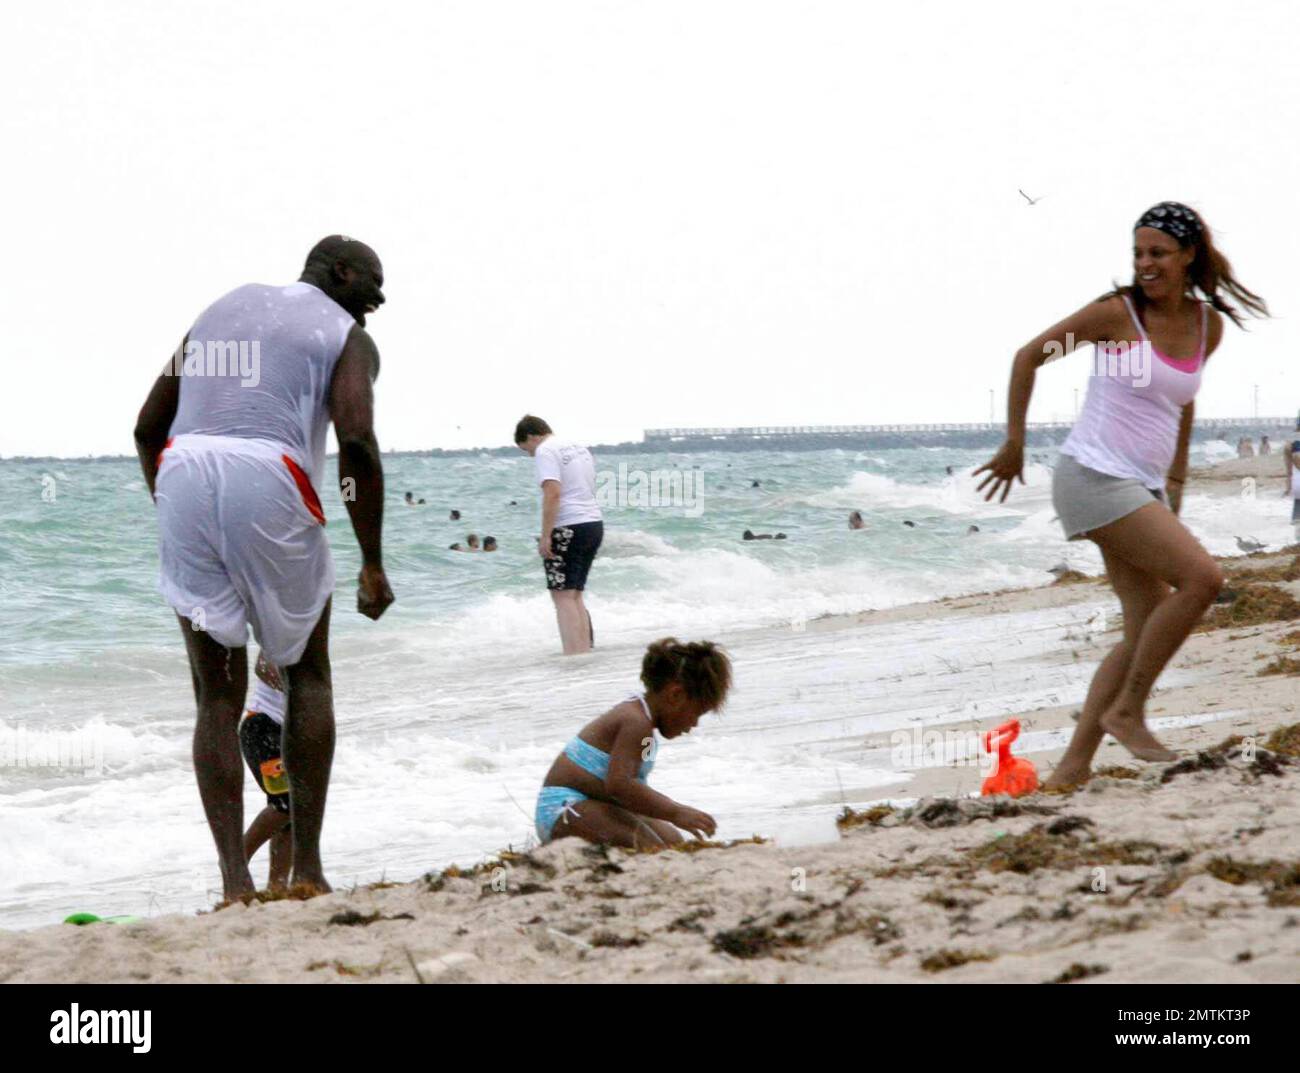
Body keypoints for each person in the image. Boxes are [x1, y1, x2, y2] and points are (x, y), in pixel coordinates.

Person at [133, 235, 396, 899]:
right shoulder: (344, 334)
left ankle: (233, 883)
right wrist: (371, 561)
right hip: (269, 474)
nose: (379, 298)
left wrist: (170, 502)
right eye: (372, 281)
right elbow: (356, 440)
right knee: (307, 670)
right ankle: (305, 869)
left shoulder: (223, 309)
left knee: (215, 691)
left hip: (183, 471)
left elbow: (147, 426)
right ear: (338, 271)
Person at [975, 202, 1266, 784]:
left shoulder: (1208, 327)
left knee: (1144, 624)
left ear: (1189, 255)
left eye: (1157, 252)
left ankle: (1074, 767)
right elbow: (1029, 356)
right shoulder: (1115, 316)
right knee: (1203, 580)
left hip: (1141, 485)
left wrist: (1175, 482)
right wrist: (1014, 442)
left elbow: (1182, 402)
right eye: (1138, 253)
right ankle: (1128, 711)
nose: (1145, 264)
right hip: (1092, 477)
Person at [534, 638, 731, 848]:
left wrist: (668, 815)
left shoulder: (647, 733)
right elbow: (620, 785)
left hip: (596, 802)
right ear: (675, 695)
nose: (693, 724)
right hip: (563, 808)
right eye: (696, 714)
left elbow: (635, 782)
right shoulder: (636, 723)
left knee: (673, 841)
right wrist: (676, 811)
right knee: (650, 847)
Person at [514, 415, 603, 655]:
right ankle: (584, 652)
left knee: (562, 596)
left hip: (568, 526)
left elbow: (553, 492)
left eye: (527, 450)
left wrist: (546, 536)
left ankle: (574, 655)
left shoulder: (545, 450)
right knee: (575, 594)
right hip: (593, 523)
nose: (530, 455)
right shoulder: (578, 447)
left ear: (532, 436)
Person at [240, 654, 292, 891]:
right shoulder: (282, 625)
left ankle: (277, 888)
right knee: (286, 804)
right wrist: (293, 688)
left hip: (285, 730)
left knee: (291, 815)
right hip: (262, 726)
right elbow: (262, 665)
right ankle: (237, 859)